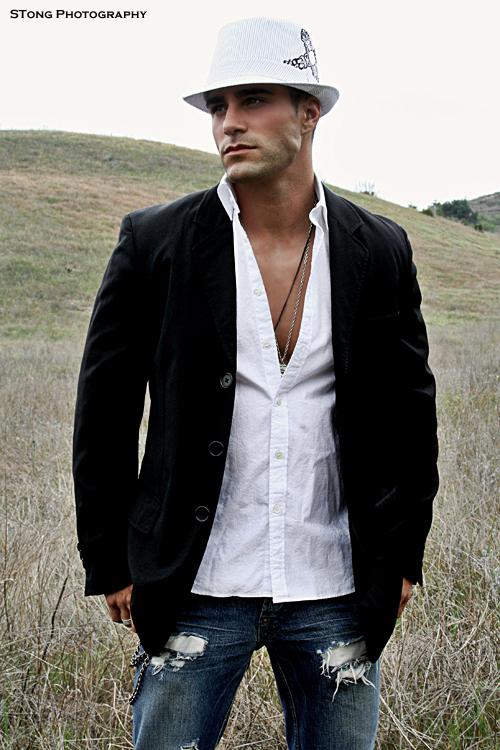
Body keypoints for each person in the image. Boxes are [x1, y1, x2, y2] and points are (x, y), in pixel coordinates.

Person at [72, 16, 439, 750]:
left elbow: (411, 410)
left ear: (310, 112)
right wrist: (110, 559)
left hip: (336, 582)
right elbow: (105, 411)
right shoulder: (155, 242)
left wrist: (403, 554)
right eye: (218, 106)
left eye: (253, 100)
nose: (229, 122)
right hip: (195, 580)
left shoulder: (378, 248)